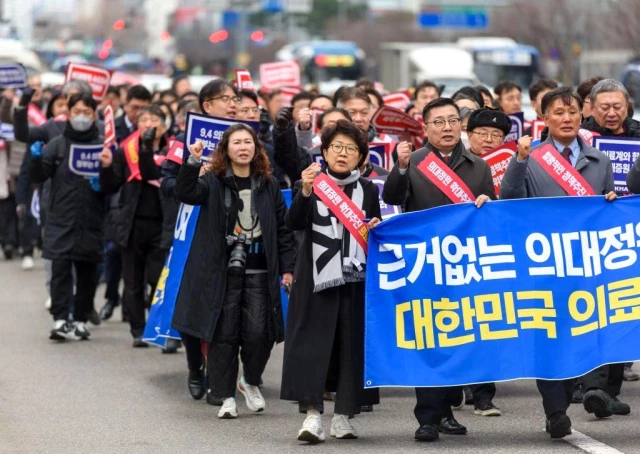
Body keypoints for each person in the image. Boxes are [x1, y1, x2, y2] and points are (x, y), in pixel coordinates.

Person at [500, 87, 623, 438]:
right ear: (544, 118)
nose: (566, 118)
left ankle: (574, 394)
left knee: (583, 332)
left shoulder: (599, 160)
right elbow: (508, 199)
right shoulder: (532, 156)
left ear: (581, 116)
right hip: (544, 263)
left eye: (571, 112)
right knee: (549, 337)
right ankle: (555, 412)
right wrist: (519, 160)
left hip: (586, 263)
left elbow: (607, 210)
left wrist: (611, 201)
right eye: (558, 112)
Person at [382, 98, 495, 442]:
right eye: (438, 122)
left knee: (459, 337)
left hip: (463, 265)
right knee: (427, 337)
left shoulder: (478, 166)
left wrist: (487, 203)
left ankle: (447, 409)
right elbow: (392, 195)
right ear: (425, 127)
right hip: (425, 264)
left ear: (460, 125)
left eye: (451, 121)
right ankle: (427, 417)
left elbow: (489, 214)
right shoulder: (413, 161)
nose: (446, 128)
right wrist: (400, 167)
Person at [174, 123, 295, 419]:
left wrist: (288, 269)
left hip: (260, 269)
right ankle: (223, 394)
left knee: (259, 334)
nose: (243, 147)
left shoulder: (268, 183)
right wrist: (192, 162)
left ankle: (249, 380)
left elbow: (282, 229)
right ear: (226, 149)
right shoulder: (213, 181)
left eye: (248, 142)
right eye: (237, 143)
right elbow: (186, 193)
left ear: (256, 148)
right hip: (222, 272)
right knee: (223, 335)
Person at [281, 120, 381, 443]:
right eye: (336, 147)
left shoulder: (368, 189)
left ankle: (343, 415)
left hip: (354, 279)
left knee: (350, 345)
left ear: (361, 158)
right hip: (315, 278)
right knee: (312, 345)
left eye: (351, 149)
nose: (343, 153)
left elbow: (374, 228)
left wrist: (375, 225)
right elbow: (293, 222)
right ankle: (312, 416)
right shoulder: (312, 182)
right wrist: (306, 190)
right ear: (324, 152)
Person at [99, 104, 178, 348]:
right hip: (131, 224)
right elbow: (110, 187)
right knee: (132, 280)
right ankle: (137, 329)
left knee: (157, 278)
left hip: (162, 224)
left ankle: (160, 325)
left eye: (154, 119)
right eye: (143, 119)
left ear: (164, 126)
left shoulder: (173, 151)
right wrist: (106, 167)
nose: (148, 124)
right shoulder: (125, 152)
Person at [28, 92, 105, 341]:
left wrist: (103, 179)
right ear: (68, 114)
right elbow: (39, 176)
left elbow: (114, 183)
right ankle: (61, 319)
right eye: (76, 112)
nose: (81, 117)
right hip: (60, 217)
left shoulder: (102, 145)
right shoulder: (57, 145)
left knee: (87, 272)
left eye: (87, 112)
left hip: (91, 218)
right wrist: (36, 159)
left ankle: (81, 320)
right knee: (60, 269)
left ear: (94, 115)